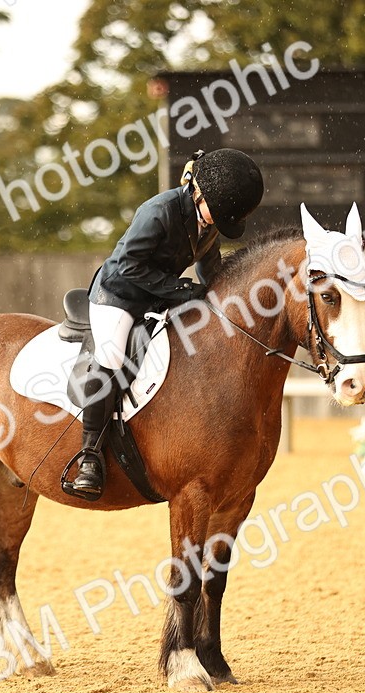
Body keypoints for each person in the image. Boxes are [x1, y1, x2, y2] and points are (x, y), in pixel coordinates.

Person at [62, 148, 265, 500]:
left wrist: (223, 294)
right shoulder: (158, 212)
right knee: (111, 358)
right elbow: (128, 266)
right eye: (215, 214)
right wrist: (181, 289)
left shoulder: (209, 218)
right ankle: (89, 455)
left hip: (157, 297)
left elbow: (209, 265)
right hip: (118, 296)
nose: (218, 222)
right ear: (197, 193)